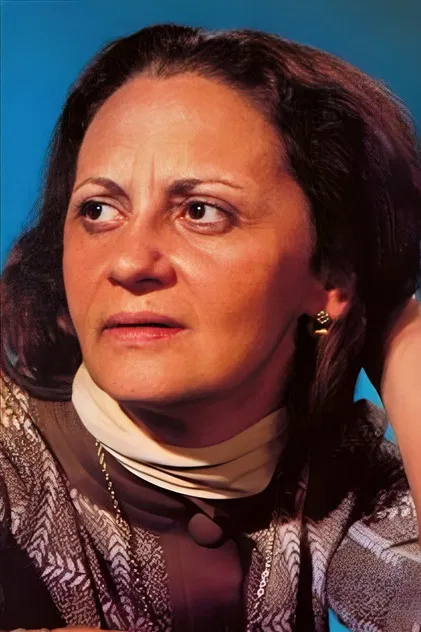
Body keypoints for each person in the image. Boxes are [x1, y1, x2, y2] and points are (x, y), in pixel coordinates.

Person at [1, 23, 420, 632]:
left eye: (201, 211)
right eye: (98, 210)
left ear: (329, 273)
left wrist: (404, 340)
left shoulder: (349, 474)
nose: (128, 262)